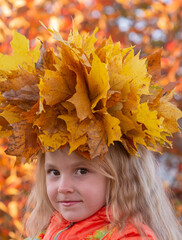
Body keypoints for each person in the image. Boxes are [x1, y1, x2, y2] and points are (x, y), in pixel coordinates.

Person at [0, 26, 182, 239]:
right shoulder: (53, 229)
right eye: (54, 172)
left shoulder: (129, 236)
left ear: (120, 177)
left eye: (82, 171)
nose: (63, 187)